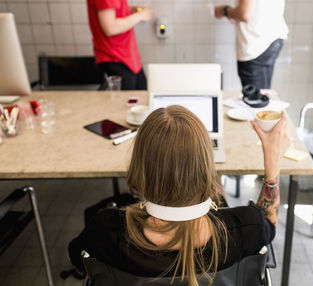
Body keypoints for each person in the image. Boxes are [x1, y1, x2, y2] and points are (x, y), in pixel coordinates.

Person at [68, 106, 290, 286]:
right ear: (204, 166)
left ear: (141, 166)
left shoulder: (105, 230)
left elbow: (79, 260)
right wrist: (272, 166)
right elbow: (269, 221)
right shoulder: (248, 227)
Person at [215, 0, 288, 90]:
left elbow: (244, 14)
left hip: (256, 43)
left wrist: (224, 10)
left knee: (255, 99)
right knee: (263, 94)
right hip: (271, 36)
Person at [87, 0, 153, 90]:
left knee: (142, 97)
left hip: (128, 58)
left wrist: (128, 10)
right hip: (115, 57)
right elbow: (110, 28)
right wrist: (140, 16)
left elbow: (108, 11)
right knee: (127, 102)